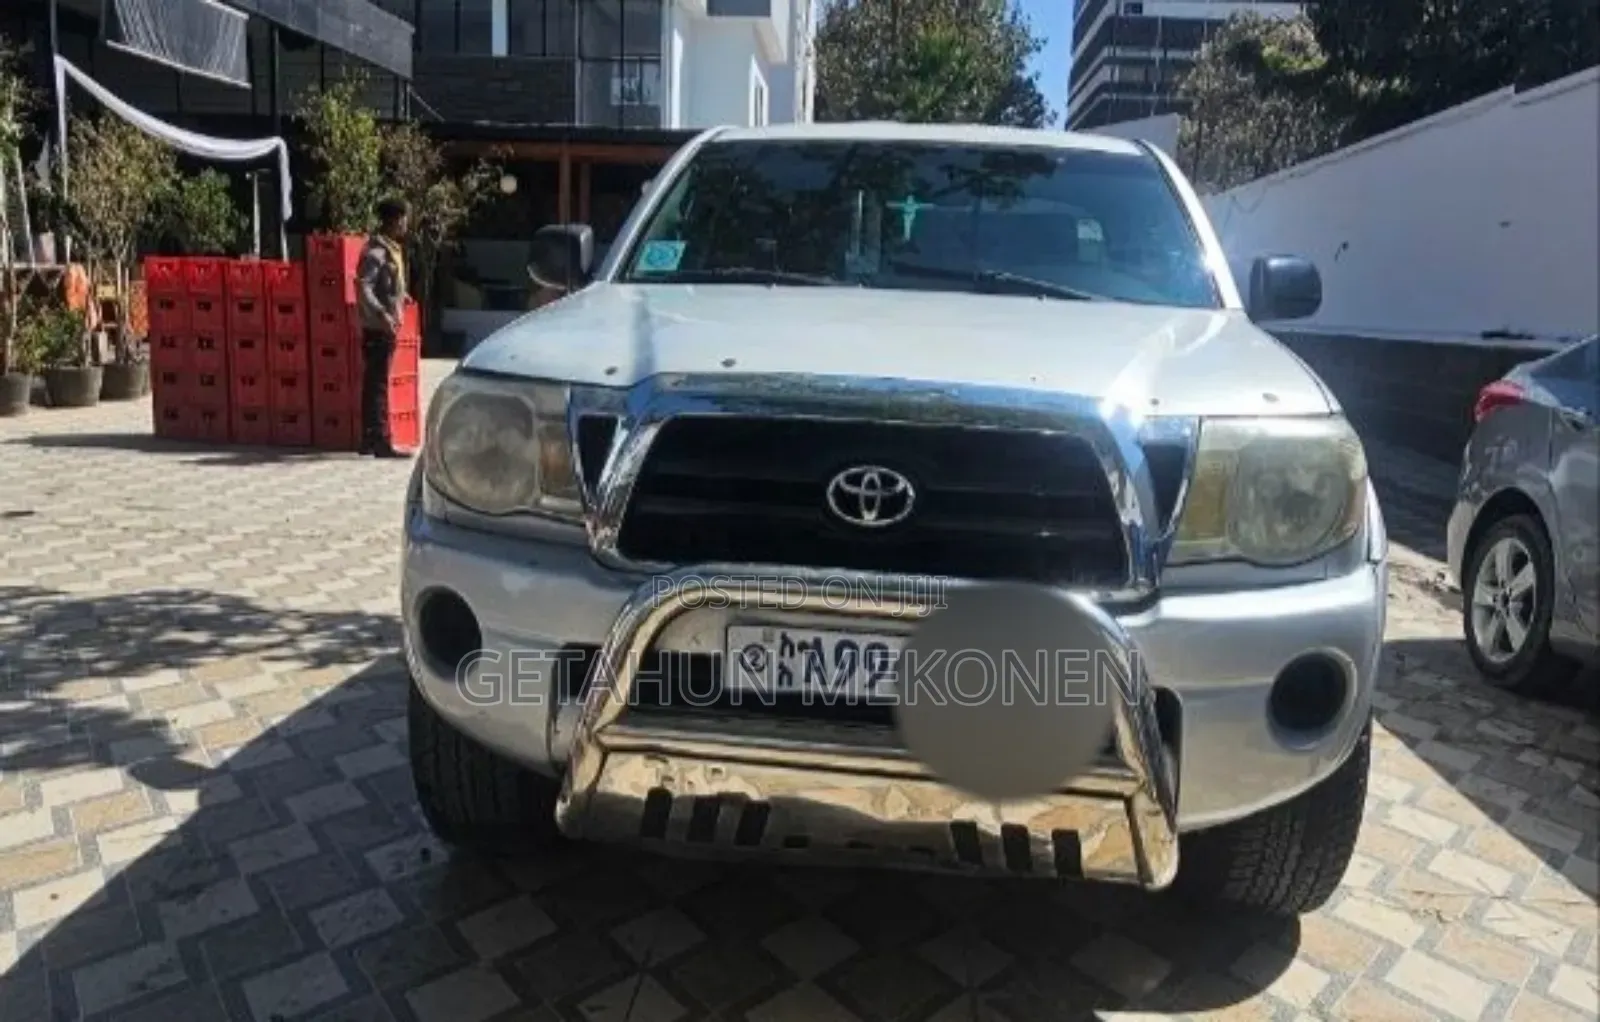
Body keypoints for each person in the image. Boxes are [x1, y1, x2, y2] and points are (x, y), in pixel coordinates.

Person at [356, 197, 411, 457]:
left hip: (386, 326)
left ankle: (369, 438)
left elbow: (389, 284)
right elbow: (363, 286)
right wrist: (382, 314)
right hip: (379, 329)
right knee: (377, 386)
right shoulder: (376, 252)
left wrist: (402, 296)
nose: (405, 223)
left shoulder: (391, 249)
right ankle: (379, 440)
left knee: (374, 383)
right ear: (394, 220)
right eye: (403, 218)